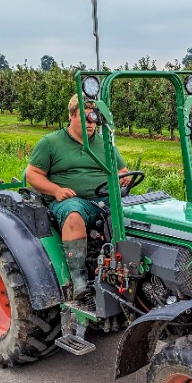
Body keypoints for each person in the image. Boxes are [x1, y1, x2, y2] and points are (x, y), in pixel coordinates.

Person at [26, 93, 130, 299]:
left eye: (95, 119)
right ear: (72, 115)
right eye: (86, 118)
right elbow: (32, 174)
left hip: (104, 197)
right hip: (69, 201)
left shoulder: (105, 143)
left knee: (137, 211)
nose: (91, 124)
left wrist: (123, 179)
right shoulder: (51, 143)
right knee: (74, 215)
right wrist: (56, 190)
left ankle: (128, 268)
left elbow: (122, 170)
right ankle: (79, 279)